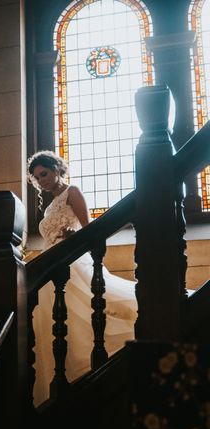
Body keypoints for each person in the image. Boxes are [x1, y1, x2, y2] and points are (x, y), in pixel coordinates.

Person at [28, 151, 137, 405]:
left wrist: (71, 238)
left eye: (44, 173)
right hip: (52, 265)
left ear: (56, 169)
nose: (41, 180)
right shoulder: (50, 205)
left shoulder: (72, 192)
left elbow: (90, 232)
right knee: (57, 321)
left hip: (72, 262)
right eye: (36, 178)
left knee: (87, 309)